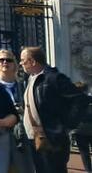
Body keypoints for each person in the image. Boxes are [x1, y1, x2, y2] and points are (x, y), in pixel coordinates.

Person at [19, 45, 89, 173]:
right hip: (33, 138)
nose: (21, 63)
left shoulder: (54, 78)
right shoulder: (28, 79)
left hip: (52, 137)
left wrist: (66, 125)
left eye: (23, 60)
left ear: (33, 61)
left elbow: (80, 100)